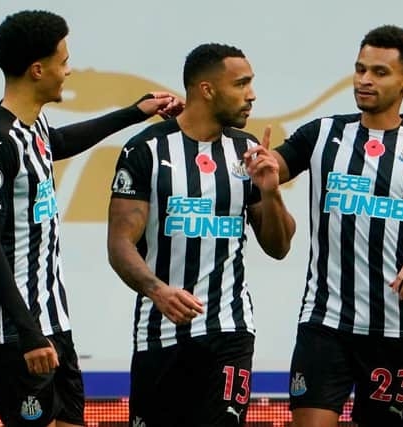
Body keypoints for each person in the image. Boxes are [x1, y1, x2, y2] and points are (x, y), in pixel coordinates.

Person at [0, 10, 182, 427]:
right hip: (14, 326)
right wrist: (28, 332)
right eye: (64, 61)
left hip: (50, 318)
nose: (69, 70)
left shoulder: (31, 126)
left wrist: (136, 112)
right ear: (37, 69)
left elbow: (57, 142)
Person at [273, 25, 403, 427]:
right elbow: (272, 166)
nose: (364, 80)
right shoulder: (322, 134)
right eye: (360, 69)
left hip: (393, 329)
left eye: (379, 72)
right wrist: (260, 167)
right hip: (323, 323)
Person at [107, 43, 296, 427]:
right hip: (160, 333)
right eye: (241, 84)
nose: (252, 95)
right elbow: (119, 244)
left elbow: (278, 247)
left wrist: (271, 192)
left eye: (251, 84)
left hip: (229, 329)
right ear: (207, 89)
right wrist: (158, 290)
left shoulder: (248, 152)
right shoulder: (146, 149)